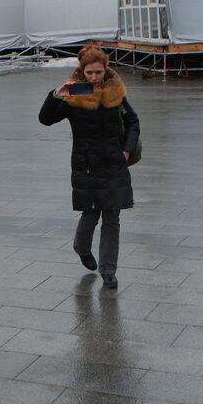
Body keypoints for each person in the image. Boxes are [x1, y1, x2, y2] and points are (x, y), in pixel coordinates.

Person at [38, 46, 140, 289]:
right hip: (87, 165)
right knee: (91, 215)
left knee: (112, 217)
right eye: (90, 72)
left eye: (98, 72)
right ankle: (81, 247)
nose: (94, 77)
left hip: (114, 163)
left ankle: (108, 271)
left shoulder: (115, 91)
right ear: (82, 71)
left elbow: (132, 121)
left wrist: (126, 150)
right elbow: (46, 119)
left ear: (106, 69)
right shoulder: (75, 92)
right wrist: (56, 95)